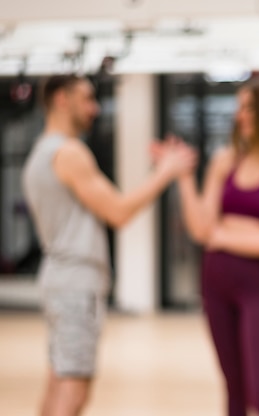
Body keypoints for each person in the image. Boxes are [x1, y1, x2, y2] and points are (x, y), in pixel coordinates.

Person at [21, 74, 197, 416]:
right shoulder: (68, 153)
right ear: (61, 99)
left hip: (60, 279)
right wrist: (166, 172)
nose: (95, 108)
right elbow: (117, 211)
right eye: (86, 98)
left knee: (58, 380)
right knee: (74, 390)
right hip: (75, 284)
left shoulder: (40, 153)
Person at [175, 76, 259, 416]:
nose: (240, 116)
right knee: (233, 394)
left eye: (248, 107)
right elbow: (199, 228)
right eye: (239, 108)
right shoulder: (225, 160)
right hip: (215, 281)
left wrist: (221, 234)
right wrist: (181, 177)